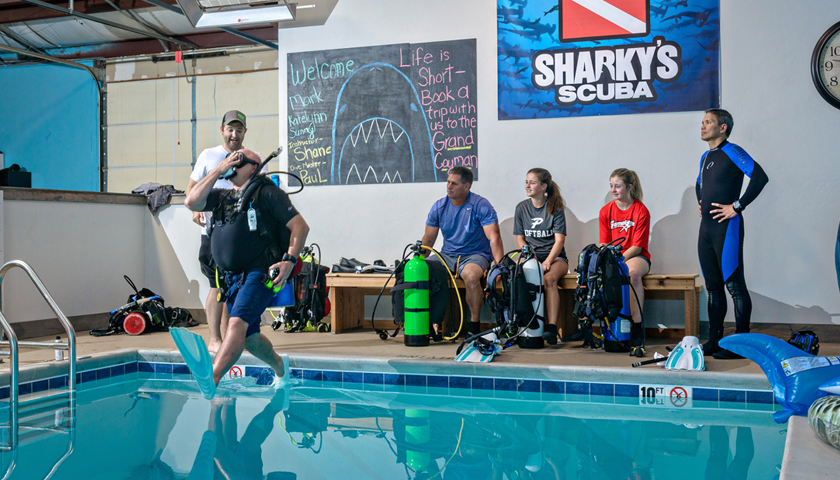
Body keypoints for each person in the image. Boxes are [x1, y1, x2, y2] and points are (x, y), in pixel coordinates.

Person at [184, 148, 309, 386]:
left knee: (235, 323)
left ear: (254, 167)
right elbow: (191, 201)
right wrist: (218, 170)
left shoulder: (269, 193)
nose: (232, 162)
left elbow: (301, 227)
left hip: (260, 272)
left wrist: (289, 260)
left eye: (238, 160)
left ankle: (213, 376)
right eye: (230, 159)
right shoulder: (221, 196)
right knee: (250, 338)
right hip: (233, 279)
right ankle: (281, 368)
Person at [187, 110, 262, 353]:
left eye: (239, 129)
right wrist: (195, 211)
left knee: (234, 287)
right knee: (216, 286)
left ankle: (231, 338)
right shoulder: (209, 156)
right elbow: (191, 191)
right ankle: (214, 338)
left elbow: (261, 193)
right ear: (222, 130)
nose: (234, 134)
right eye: (230, 129)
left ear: (245, 132)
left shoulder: (253, 158)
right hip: (212, 235)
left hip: (240, 238)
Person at [697, 108, 768, 359]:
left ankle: (741, 344)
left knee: (735, 286)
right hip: (706, 230)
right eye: (703, 122)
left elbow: (760, 177)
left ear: (723, 127)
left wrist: (737, 206)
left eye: (708, 122)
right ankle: (715, 340)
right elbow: (700, 183)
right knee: (713, 287)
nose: (703, 126)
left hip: (727, 229)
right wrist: (700, 201)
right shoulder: (706, 157)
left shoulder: (733, 151)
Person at [422, 166, 504, 338]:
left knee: (472, 276)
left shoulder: (480, 205)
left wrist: (499, 266)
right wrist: (418, 260)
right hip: (447, 256)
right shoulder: (439, 206)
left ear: (466, 186)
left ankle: (473, 326)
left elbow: (494, 237)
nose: (449, 186)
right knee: (421, 271)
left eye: (454, 183)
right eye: (448, 182)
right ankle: (428, 324)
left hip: (475, 255)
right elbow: (428, 240)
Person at [513, 168, 569, 345]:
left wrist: (547, 261)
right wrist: (530, 258)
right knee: (515, 276)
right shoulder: (521, 207)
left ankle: (551, 328)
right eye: (526, 181)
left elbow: (559, 241)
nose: (527, 185)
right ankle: (518, 325)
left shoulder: (555, 208)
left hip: (555, 257)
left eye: (532, 182)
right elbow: (520, 239)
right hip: (531, 257)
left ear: (544, 186)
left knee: (549, 280)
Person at [599, 168, 650, 353]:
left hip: (637, 256)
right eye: (611, 186)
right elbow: (604, 243)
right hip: (614, 257)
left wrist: (618, 260)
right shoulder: (606, 211)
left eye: (617, 186)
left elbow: (637, 247)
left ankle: (637, 328)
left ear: (629, 187)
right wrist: (611, 260)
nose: (613, 190)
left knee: (632, 274)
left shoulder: (640, 210)